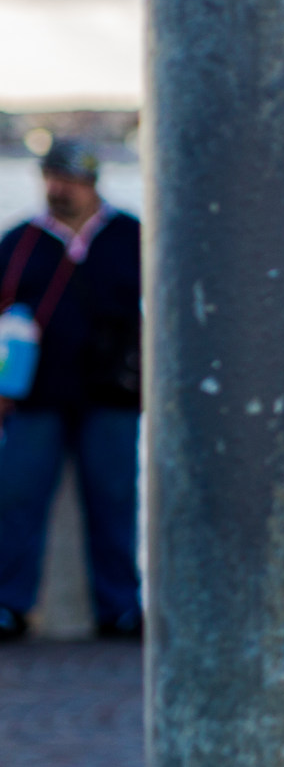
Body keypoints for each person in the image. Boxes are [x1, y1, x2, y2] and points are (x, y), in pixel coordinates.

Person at [0, 140, 143, 642]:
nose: (59, 189)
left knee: (116, 500)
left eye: (69, 180)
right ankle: (9, 605)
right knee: (16, 498)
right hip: (35, 396)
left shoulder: (131, 236)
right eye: (52, 178)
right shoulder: (19, 241)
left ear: (91, 181)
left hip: (113, 396)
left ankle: (121, 607)